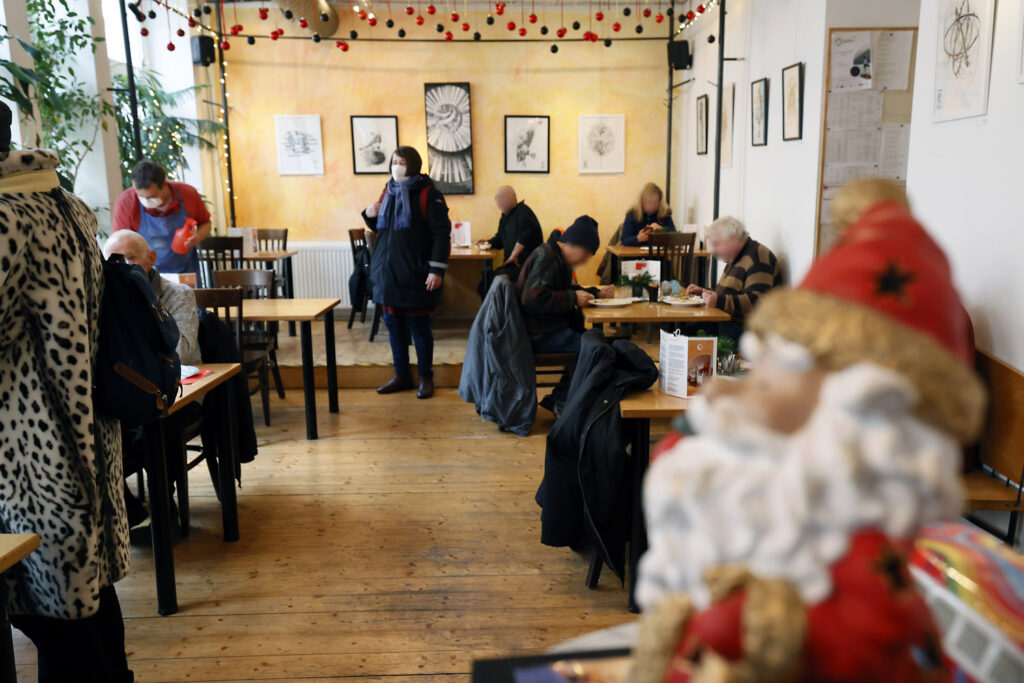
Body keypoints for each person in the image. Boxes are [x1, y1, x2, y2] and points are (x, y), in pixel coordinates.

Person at [626, 202, 984, 682]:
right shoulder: (778, 504)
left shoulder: (849, 555)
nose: (719, 390)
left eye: (765, 381)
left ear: (851, 409)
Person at [0, 103, 134, 681]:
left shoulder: (7, 217)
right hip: (85, 447)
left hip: (33, 461)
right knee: (90, 604)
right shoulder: (67, 204)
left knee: (61, 623)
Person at [362, 146, 451, 399]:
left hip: (415, 273)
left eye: (401, 161)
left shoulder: (428, 194)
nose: (396, 165)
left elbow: (441, 234)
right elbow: (383, 227)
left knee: (420, 329)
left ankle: (425, 377)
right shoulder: (388, 190)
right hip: (388, 273)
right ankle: (401, 375)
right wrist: (368, 214)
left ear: (412, 164)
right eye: (393, 161)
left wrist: (436, 270)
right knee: (393, 326)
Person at [517, 215, 613, 355]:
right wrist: (573, 298)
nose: (585, 261)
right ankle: (579, 377)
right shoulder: (547, 257)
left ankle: (575, 376)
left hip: (548, 329)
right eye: (586, 254)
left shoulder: (557, 257)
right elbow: (532, 298)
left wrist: (595, 293)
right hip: (540, 335)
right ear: (573, 244)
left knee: (598, 341)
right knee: (600, 350)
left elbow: (564, 290)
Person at [102, 230, 201, 366]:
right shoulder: (106, 298)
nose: (121, 268)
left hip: (180, 380)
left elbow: (182, 355)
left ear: (151, 258)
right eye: (113, 262)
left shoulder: (179, 294)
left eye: (130, 259)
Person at [686, 216, 781, 340]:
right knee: (680, 334)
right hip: (727, 323)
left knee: (683, 338)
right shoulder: (736, 257)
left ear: (734, 239)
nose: (713, 251)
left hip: (745, 331)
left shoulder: (758, 257)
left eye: (716, 244)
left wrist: (718, 301)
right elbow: (727, 294)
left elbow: (758, 302)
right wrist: (703, 292)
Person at [112, 159, 212, 274]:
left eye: (151, 196)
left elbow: (206, 223)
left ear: (164, 184)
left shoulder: (188, 194)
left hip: (185, 271)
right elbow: (119, 245)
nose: (146, 201)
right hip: (145, 273)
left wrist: (198, 236)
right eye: (140, 196)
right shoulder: (126, 202)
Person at [476, 185, 543, 285]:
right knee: (485, 282)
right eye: (497, 199)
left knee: (489, 282)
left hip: (525, 267)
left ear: (514, 196)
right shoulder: (505, 217)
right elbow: (499, 239)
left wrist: (513, 256)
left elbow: (525, 234)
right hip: (511, 265)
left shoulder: (523, 211)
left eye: (502, 197)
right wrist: (487, 242)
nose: (499, 202)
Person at [621, 182, 676, 246]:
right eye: (647, 203)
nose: (651, 207)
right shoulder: (632, 214)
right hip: (636, 254)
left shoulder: (664, 213)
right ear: (641, 201)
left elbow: (675, 236)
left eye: (654, 203)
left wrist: (661, 229)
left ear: (659, 202)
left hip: (658, 255)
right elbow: (624, 240)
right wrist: (638, 238)